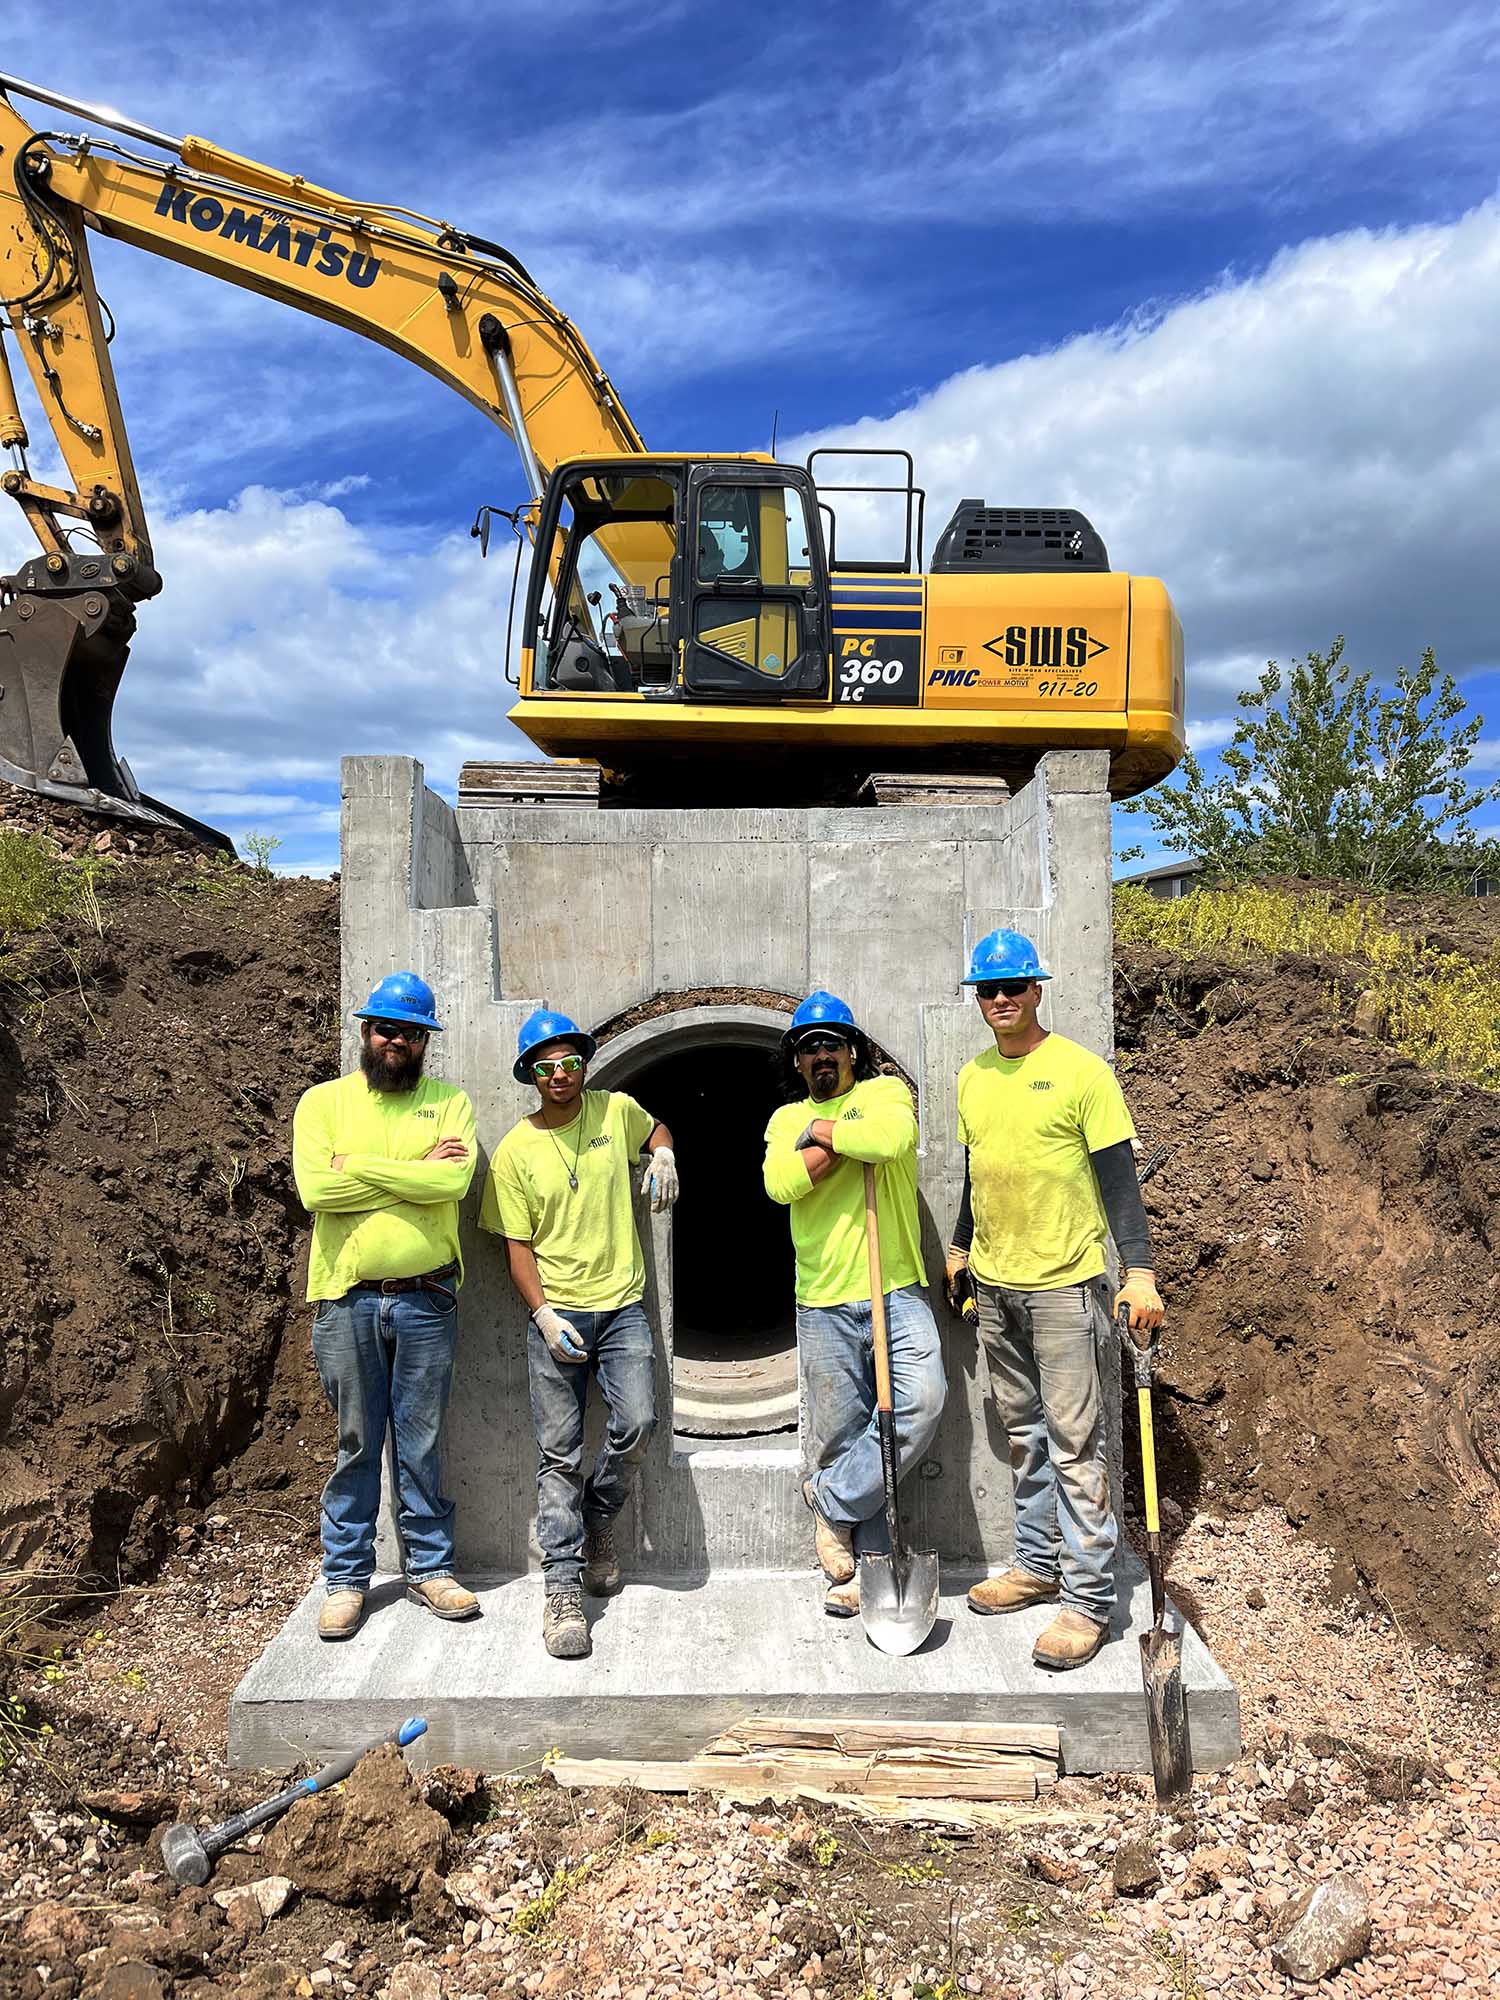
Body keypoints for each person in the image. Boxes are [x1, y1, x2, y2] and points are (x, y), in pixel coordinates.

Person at [946, 930, 1164, 1670]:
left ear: (1037, 990)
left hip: (1066, 1287)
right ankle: (1037, 1566)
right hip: (999, 1286)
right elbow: (982, 1171)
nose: (1001, 1000)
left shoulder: (1081, 1072)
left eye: (1014, 987)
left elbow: (1118, 1180)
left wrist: (1139, 1271)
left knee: (1077, 1445)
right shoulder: (973, 1077)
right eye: (988, 990)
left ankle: (1088, 1601)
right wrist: (960, 1248)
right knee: (1023, 1437)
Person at [480, 1010, 679, 1660]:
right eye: (546, 1066)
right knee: (558, 1455)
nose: (560, 1075)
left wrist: (663, 1153)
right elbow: (516, 1247)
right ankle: (562, 1590)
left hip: (621, 1308)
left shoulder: (613, 1112)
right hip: (558, 1315)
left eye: (569, 1062)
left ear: (584, 1065)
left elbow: (655, 1128)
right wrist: (541, 1313)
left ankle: (600, 1518)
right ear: (530, 1075)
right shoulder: (515, 1151)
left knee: (639, 1422)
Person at [292, 972, 479, 1642]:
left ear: (425, 1039)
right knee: (355, 1444)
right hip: (348, 1300)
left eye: (409, 1031)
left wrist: (358, 1168)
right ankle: (346, 1580)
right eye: (385, 1028)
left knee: (421, 1443)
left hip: (427, 1298)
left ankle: (430, 1570)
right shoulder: (322, 1104)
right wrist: (411, 1174)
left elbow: (453, 1180)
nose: (396, 1039)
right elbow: (316, 1189)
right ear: (365, 1033)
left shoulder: (449, 1103)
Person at [762, 991, 946, 1617]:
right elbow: (780, 1182)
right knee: (842, 1432)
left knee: (920, 1400)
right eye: (807, 1047)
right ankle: (863, 1572)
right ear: (797, 1061)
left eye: (830, 1045)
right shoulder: (785, 1119)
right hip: (821, 1298)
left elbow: (893, 1139)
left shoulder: (885, 1095)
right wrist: (839, 1138)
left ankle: (832, 1502)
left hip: (893, 1286)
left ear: (853, 1052)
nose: (819, 1055)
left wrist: (823, 1134)